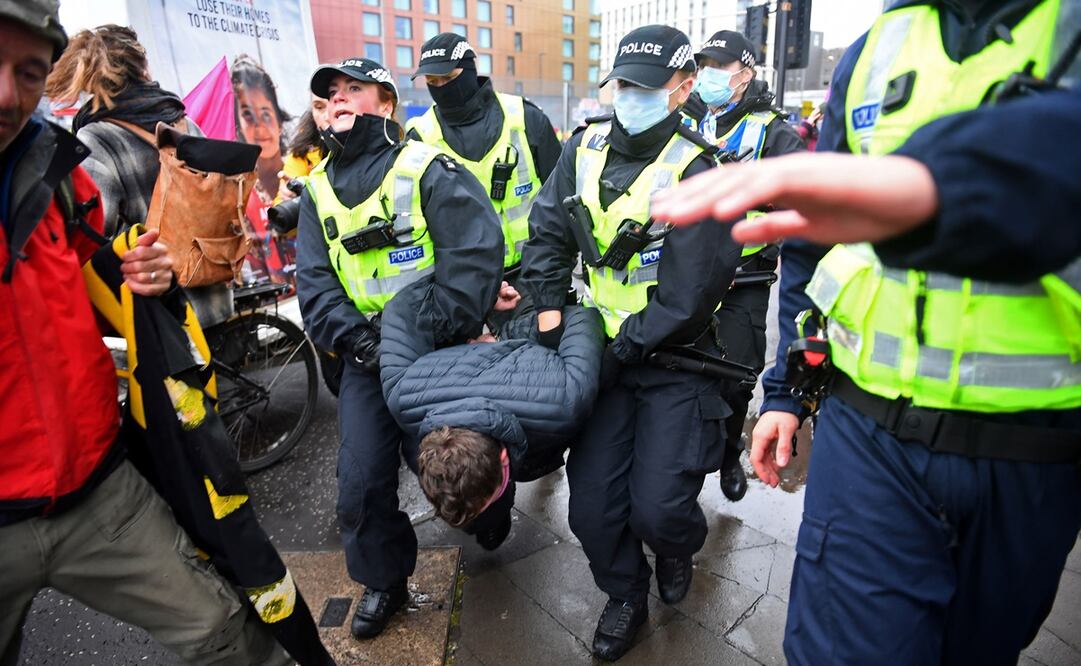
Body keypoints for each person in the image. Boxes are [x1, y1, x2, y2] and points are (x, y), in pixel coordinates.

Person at [655, 3, 1081, 663]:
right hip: (867, 431)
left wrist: (943, 187)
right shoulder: (878, 47)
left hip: (1035, 450)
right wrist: (786, 393)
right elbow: (814, 243)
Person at [0, 4, 286, 664]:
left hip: (106, 464)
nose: (9, 95)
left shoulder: (74, 156)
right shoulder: (168, 116)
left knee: (223, 631)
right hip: (202, 294)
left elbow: (91, 264)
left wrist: (136, 268)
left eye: (30, 71)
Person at [520, 25, 743, 661]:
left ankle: (676, 545)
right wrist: (551, 318)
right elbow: (546, 235)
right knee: (590, 511)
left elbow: (689, 292)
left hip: (671, 358)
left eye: (647, 88)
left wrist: (624, 349)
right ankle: (625, 594)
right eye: (624, 86)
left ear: (684, 88)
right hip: (598, 352)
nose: (631, 97)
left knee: (661, 508)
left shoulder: (701, 167)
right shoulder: (583, 147)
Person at [295, 56, 504, 641]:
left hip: (437, 354)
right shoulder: (315, 191)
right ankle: (384, 580)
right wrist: (366, 343)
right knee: (360, 485)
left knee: (455, 473)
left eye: (350, 89)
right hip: (367, 361)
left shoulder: (427, 168)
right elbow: (315, 285)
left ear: (384, 102)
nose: (335, 100)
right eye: (324, 96)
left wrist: (418, 334)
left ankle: (491, 507)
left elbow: (474, 258)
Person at [377, 280, 605, 541]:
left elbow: (582, 318)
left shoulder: (564, 396)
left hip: (528, 296)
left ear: (504, 457)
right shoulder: (401, 394)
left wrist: (496, 325)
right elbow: (402, 308)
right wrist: (476, 297)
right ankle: (490, 522)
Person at [45, 23, 232, 329]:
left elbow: (91, 237)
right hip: (212, 292)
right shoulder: (184, 124)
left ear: (88, 74)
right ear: (141, 67)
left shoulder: (97, 137)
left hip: (160, 312)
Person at [685, 29, 804, 502]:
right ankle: (682, 468)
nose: (710, 76)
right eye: (705, 67)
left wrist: (750, 187)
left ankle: (729, 453)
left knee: (737, 376)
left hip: (745, 275)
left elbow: (798, 196)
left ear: (745, 73)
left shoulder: (774, 131)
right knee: (687, 370)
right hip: (689, 270)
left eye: (720, 66)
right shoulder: (689, 118)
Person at [405, 32, 562, 283]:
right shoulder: (421, 136)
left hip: (534, 271)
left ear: (469, 70)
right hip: (464, 280)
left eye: (448, 78)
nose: (441, 88)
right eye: (432, 82)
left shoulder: (524, 117)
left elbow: (561, 194)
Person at [231, 54, 295, 285]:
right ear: (238, 127)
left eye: (266, 114)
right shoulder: (238, 195)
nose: (260, 127)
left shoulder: (305, 170)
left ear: (279, 120)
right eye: (248, 115)